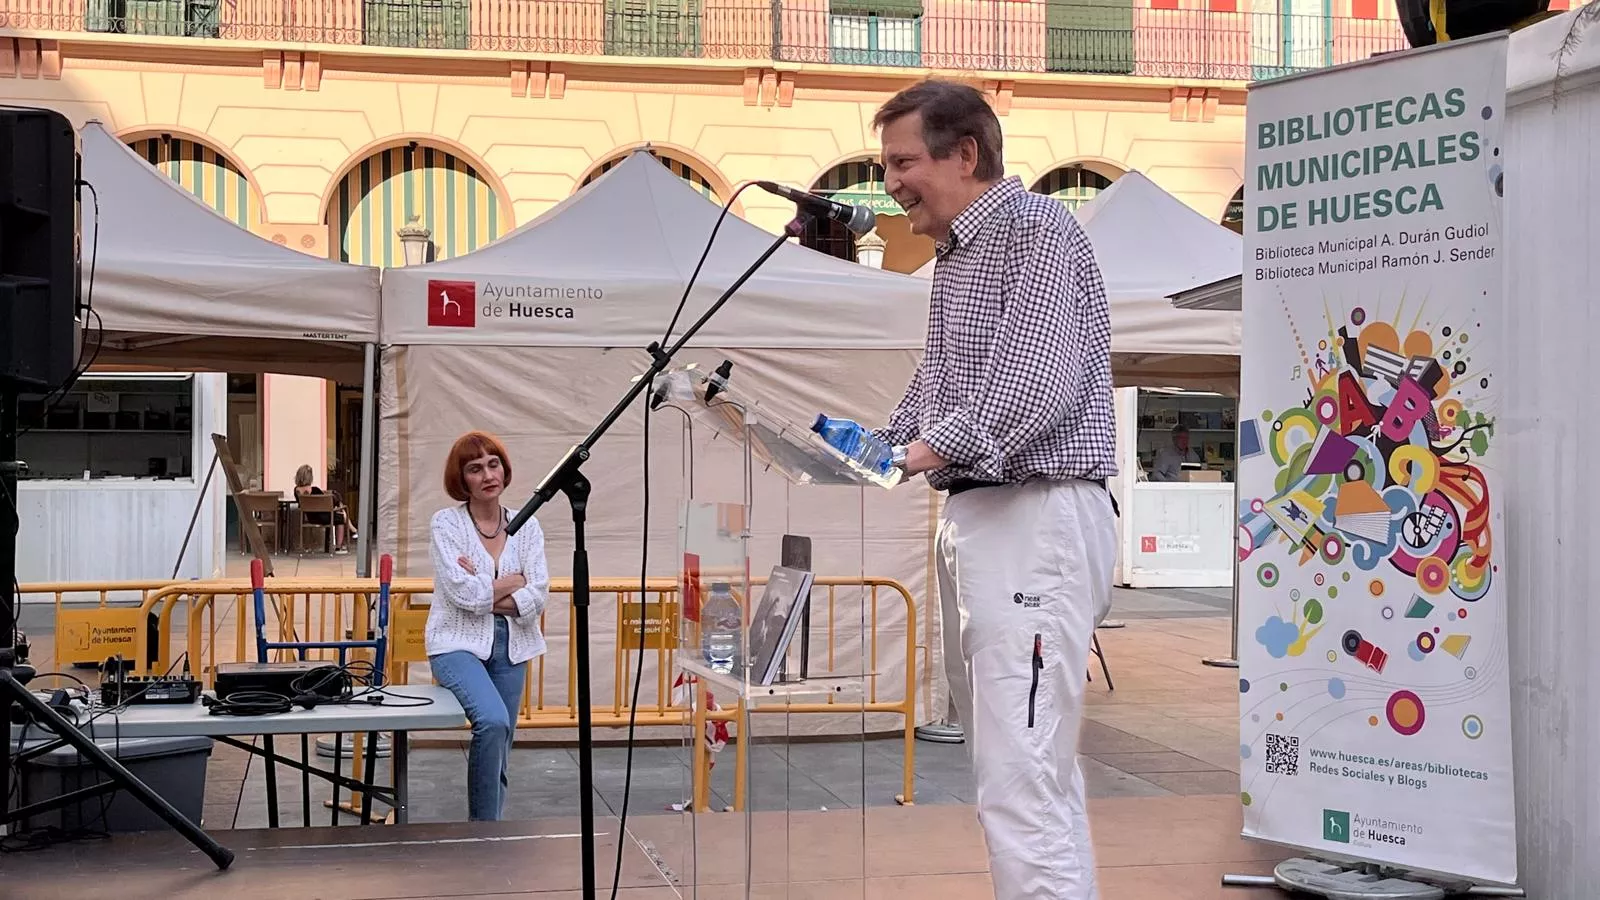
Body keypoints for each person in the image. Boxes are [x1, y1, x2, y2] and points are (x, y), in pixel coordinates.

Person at [870, 79, 1118, 900]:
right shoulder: (958, 257)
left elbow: (1034, 384)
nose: (891, 182)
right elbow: (941, 388)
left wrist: (920, 450)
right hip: (994, 519)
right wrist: (869, 444)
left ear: (964, 153)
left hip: (1034, 516)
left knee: (1019, 776)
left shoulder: (1037, 231)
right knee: (1030, 767)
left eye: (904, 161)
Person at [426, 430, 550, 822]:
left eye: (493, 464)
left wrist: (486, 591)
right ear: (461, 479)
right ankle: (480, 830)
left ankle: (490, 828)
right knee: (492, 721)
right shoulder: (446, 524)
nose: (487, 475)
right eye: (475, 468)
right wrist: (512, 581)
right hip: (455, 644)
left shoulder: (527, 526)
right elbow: (459, 594)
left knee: (502, 741)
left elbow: (539, 592)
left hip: (513, 645)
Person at [292, 463, 354, 553]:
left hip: (310, 518)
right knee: (340, 517)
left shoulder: (296, 491)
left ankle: (353, 529)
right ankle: (339, 547)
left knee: (340, 513)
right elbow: (328, 503)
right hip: (323, 517)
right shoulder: (315, 490)